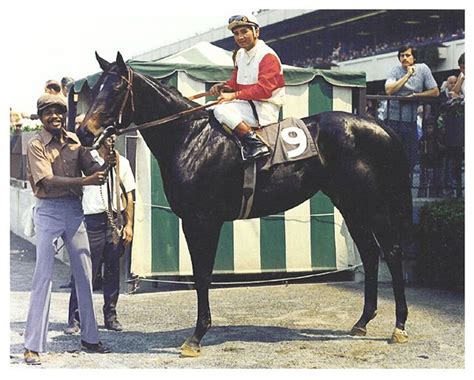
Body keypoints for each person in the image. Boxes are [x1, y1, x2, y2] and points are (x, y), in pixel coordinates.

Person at [24, 94, 113, 365]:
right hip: (48, 211)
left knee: (85, 275)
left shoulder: (75, 141)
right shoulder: (36, 143)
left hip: (74, 211)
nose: (55, 117)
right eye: (48, 113)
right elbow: (48, 182)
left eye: (58, 112)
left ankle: (90, 338)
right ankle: (32, 346)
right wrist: (86, 179)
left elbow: (96, 169)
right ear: (41, 117)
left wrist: (106, 152)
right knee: (43, 276)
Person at [65, 135, 135, 333]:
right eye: (107, 134)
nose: (111, 138)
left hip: (114, 220)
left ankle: (110, 316)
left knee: (112, 271)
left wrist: (129, 224)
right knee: (86, 271)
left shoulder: (122, 162)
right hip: (92, 221)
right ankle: (76, 318)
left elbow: (129, 195)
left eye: (114, 134)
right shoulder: (87, 158)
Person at [209, 14, 285, 161]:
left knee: (220, 110)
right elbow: (237, 82)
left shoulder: (268, 56)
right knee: (210, 107)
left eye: (244, 31)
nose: (240, 37)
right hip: (248, 103)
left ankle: (256, 144)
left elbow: (264, 90)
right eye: (236, 33)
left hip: (264, 107)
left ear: (256, 31)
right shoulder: (240, 55)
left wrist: (233, 95)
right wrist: (223, 86)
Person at [384, 45, 439, 174]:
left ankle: (406, 184)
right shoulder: (394, 71)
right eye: (402, 56)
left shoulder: (423, 69)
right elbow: (389, 91)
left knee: (410, 155)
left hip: (411, 120)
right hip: (392, 118)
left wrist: (415, 96)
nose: (404, 58)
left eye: (407, 55)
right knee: (392, 153)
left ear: (414, 58)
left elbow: (435, 91)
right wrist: (407, 75)